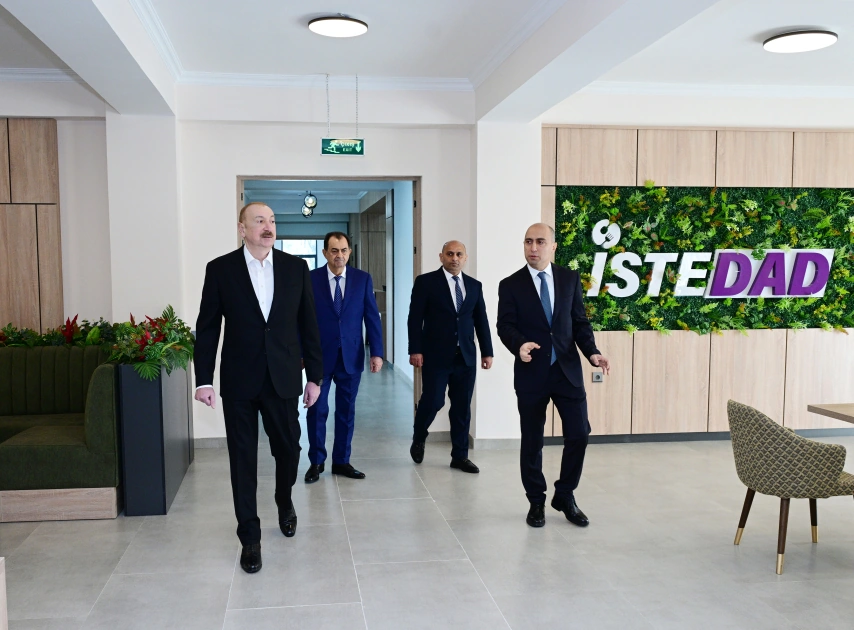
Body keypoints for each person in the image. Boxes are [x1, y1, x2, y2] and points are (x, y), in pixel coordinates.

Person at [194, 202, 323, 574]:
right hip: (239, 379)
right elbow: (207, 327)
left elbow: (309, 325)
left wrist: (314, 377)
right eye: (260, 221)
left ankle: (284, 499)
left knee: (289, 448)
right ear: (242, 228)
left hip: (283, 376)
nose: (268, 227)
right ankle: (250, 537)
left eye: (272, 221)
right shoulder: (220, 269)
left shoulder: (295, 268)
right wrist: (204, 379)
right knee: (242, 459)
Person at [497, 223, 610, 529]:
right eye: (528, 242)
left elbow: (579, 322)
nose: (533, 247)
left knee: (579, 434)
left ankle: (565, 495)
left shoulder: (569, 278)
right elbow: (504, 325)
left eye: (540, 241)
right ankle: (536, 500)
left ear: (553, 246)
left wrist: (593, 353)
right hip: (532, 372)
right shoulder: (510, 284)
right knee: (533, 441)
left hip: (567, 371)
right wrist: (519, 344)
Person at [304, 231, 384, 484]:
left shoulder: (362, 279)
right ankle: (316, 462)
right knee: (317, 410)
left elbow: (372, 317)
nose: (339, 255)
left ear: (349, 252)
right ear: (325, 253)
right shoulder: (311, 279)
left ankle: (341, 461)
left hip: (351, 356)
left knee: (346, 411)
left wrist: (377, 352)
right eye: (334, 250)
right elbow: (301, 319)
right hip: (320, 357)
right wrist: (301, 353)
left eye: (344, 250)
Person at [408, 240, 494, 473]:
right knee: (433, 400)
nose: (454, 258)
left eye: (458, 254)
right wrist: (415, 349)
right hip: (436, 356)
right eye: (449, 254)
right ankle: (419, 435)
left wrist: (487, 351)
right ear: (441, 256)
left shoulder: (474, 286)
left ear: (465, 258)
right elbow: (415, 319)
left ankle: (460, 456)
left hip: (465, 357)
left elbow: (481, 320)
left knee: (462, 407)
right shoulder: (426, 282)